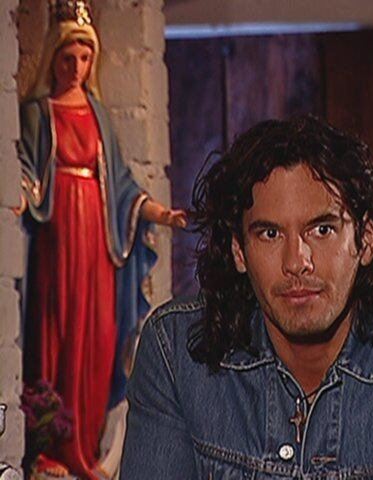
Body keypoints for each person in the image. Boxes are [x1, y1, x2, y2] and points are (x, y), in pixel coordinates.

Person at [120, 114, 373, 478]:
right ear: (239, 251)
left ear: (365, 240)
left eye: (322, 230)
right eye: (270, 234)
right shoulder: (176, 351)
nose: (297, 262)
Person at [16, 2, 187, 478]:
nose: (76, 67)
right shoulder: (38, 113)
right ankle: (51, 448)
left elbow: (123, 187)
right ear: (54, 58)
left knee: (97, 334)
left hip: (96, 242)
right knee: (57, 332)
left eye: (85, 58)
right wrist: (19, 196)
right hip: (56, 242)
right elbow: (26, 171)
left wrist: (161, 214)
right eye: (68, 58)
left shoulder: (98, 115)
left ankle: (85, 449)